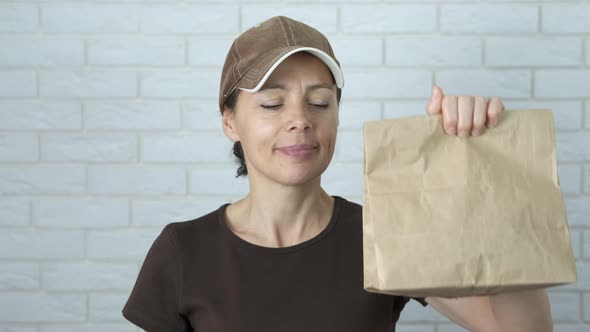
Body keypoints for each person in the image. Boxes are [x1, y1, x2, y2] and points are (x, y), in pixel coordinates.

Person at [122, 16, 553, 332]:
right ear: (230, 121)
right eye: (273, 104)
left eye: (320, 102)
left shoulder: (383, 234)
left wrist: (486, 161)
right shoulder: (182, 252)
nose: (300, 119)